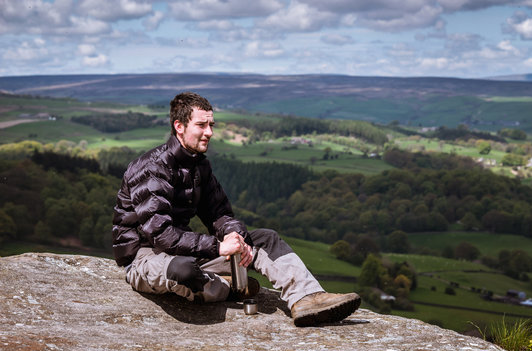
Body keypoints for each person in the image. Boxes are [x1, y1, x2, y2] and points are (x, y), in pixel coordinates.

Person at [112, 92, 361, 326]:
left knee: (265, 238)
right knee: (183, 270)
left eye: (211, 125)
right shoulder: (151, 168)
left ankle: (306, 298)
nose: (209, 132)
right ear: (179, 126)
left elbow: (220, 213)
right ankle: (226, 287)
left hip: (185, 252)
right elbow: (161, 235)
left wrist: (235, 236)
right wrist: (218, 247)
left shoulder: (200, 167)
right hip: (145, 259)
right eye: (201, 125)